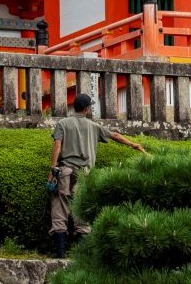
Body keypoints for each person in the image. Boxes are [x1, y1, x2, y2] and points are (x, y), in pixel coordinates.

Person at [46, 93, 145, 259]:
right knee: (82, 214)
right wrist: (133, 144)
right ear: (86, 109)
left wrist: (52, 169)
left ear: (74, 107)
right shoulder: (93, 126)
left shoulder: (63, 124)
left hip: (64, 172)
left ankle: (60, 254)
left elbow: (57, 145)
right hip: (85, 175)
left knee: (59, 211)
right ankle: (82, 257)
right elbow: (115, 135)